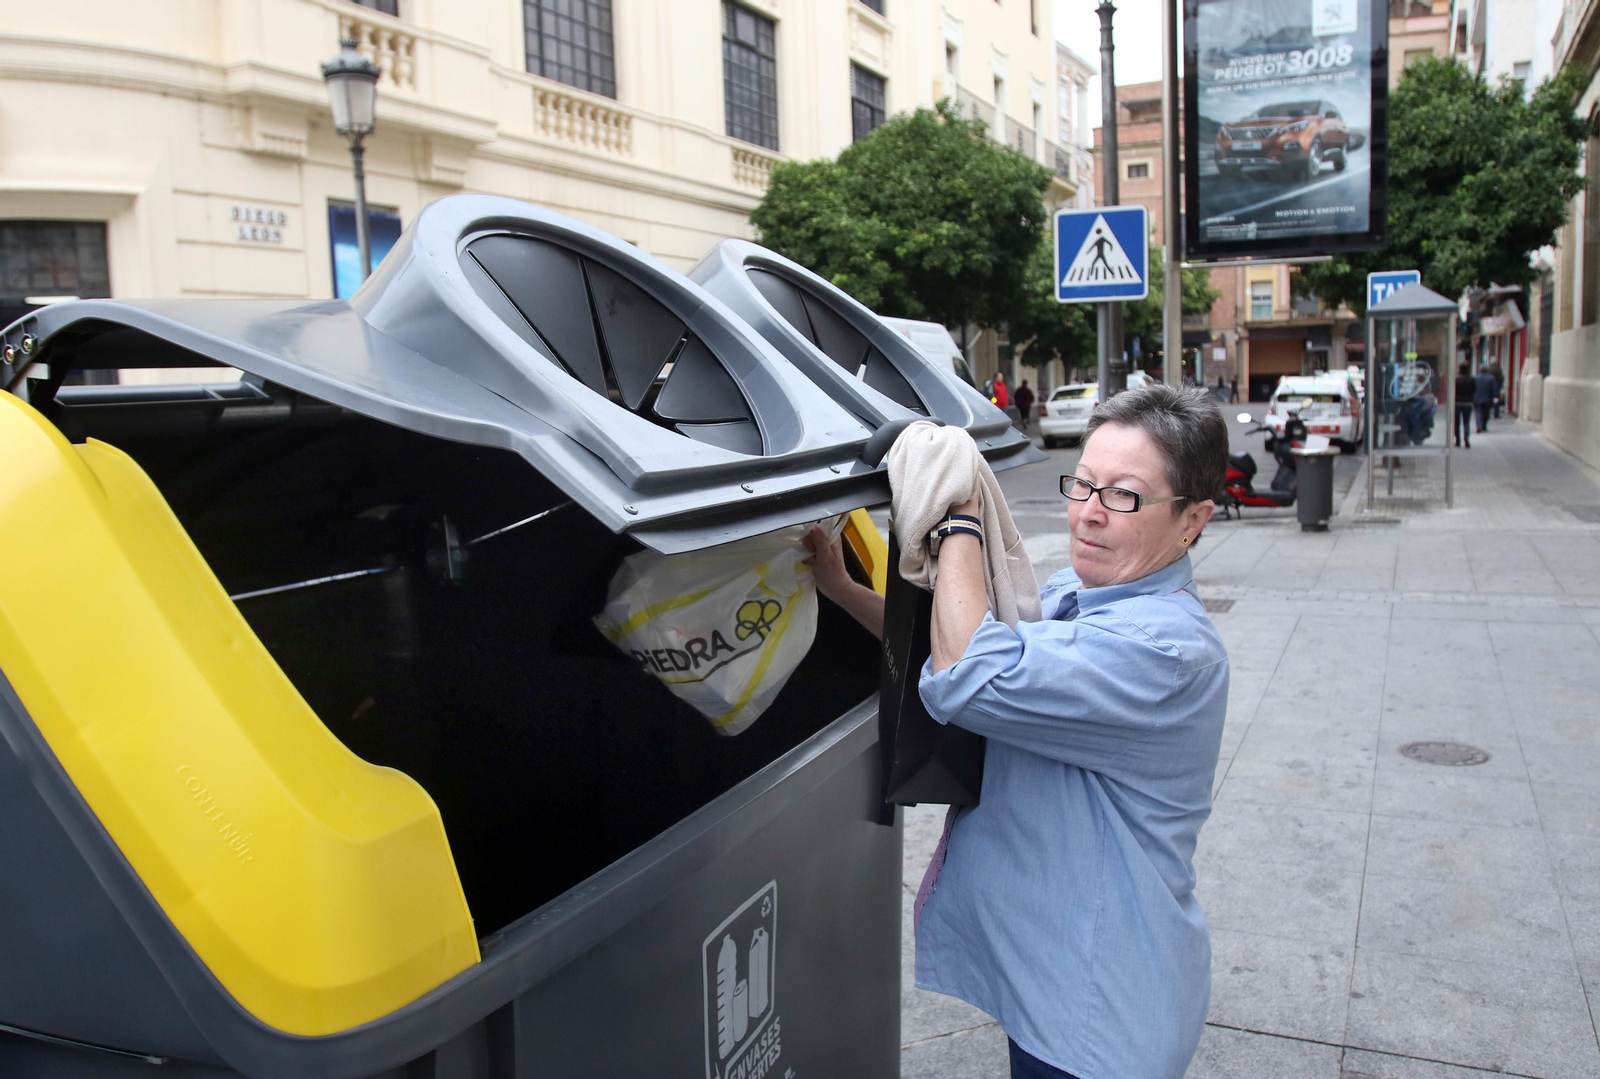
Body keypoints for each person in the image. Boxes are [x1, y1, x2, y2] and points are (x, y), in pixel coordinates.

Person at [803, 385, 1230, 1079]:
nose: (1088, 514)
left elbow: (970, 670)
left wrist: (960, 512)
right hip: (1057, 985)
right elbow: (947, 644)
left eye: (1122, 496)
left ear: (1193, 520)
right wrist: (843, 587)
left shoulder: (1162, 652)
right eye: (1083, 483)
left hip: (1101, 1017)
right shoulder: (1080, 596)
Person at [1454, 362, 1475, 448]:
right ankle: (1466, 439)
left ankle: (1458, 440)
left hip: (1457, 402)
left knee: (1457, 423)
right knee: (1466, 422)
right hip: (1468, 402)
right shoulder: (1472, 379)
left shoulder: (1457, 379)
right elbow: (1474, 390)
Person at [1474, 364, 1497, 433]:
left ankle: (1479, 425)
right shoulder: (1491, 378)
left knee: (1478, 413)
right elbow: (1494, 388)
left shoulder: (1476, 378)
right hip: (1487, 399)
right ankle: (1484, 426)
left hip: (1477, 398)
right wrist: (1495, 397)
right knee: (1486, 413)